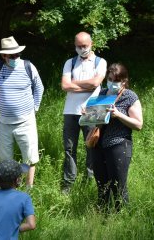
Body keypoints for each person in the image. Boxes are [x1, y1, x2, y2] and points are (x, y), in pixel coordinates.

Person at [0, 36, 44, 191]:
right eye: (12, 56)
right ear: (3, 56)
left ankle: (29, 187)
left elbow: (39, 88)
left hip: (25, 121)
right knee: (5, 158)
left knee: (30, 156)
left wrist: (34, 108)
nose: (16, 58)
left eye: (17, 55)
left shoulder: (28, 66)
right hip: (4, 122)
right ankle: (11, 186)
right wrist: (3, 107)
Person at [92, 63, 143, 211]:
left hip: (119, 144)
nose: (112, 83)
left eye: (116, 80)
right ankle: (102, 215)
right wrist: (88, 114)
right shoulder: (102, 94)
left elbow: (138, 125)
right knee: (102, 185)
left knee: (118, 186)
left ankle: (122, 216)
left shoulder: (130, 96)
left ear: (124, 81)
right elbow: (96, 120)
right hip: (98, 144)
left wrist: (119, 115)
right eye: (109, 79)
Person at [61, 31, 107, 193]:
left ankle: (91, 182)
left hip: (94, 108)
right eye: (79, 46)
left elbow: (96, 83)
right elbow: (65, 86)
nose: (82, 49)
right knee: (69, 148)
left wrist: (75, 84)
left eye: (85, 46)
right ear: (75, 46)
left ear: (91, 44)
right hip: (70, 110)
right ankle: (68, 184)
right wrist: (85, 86)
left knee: (92, 146)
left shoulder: (100, 62)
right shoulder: (70, 62)